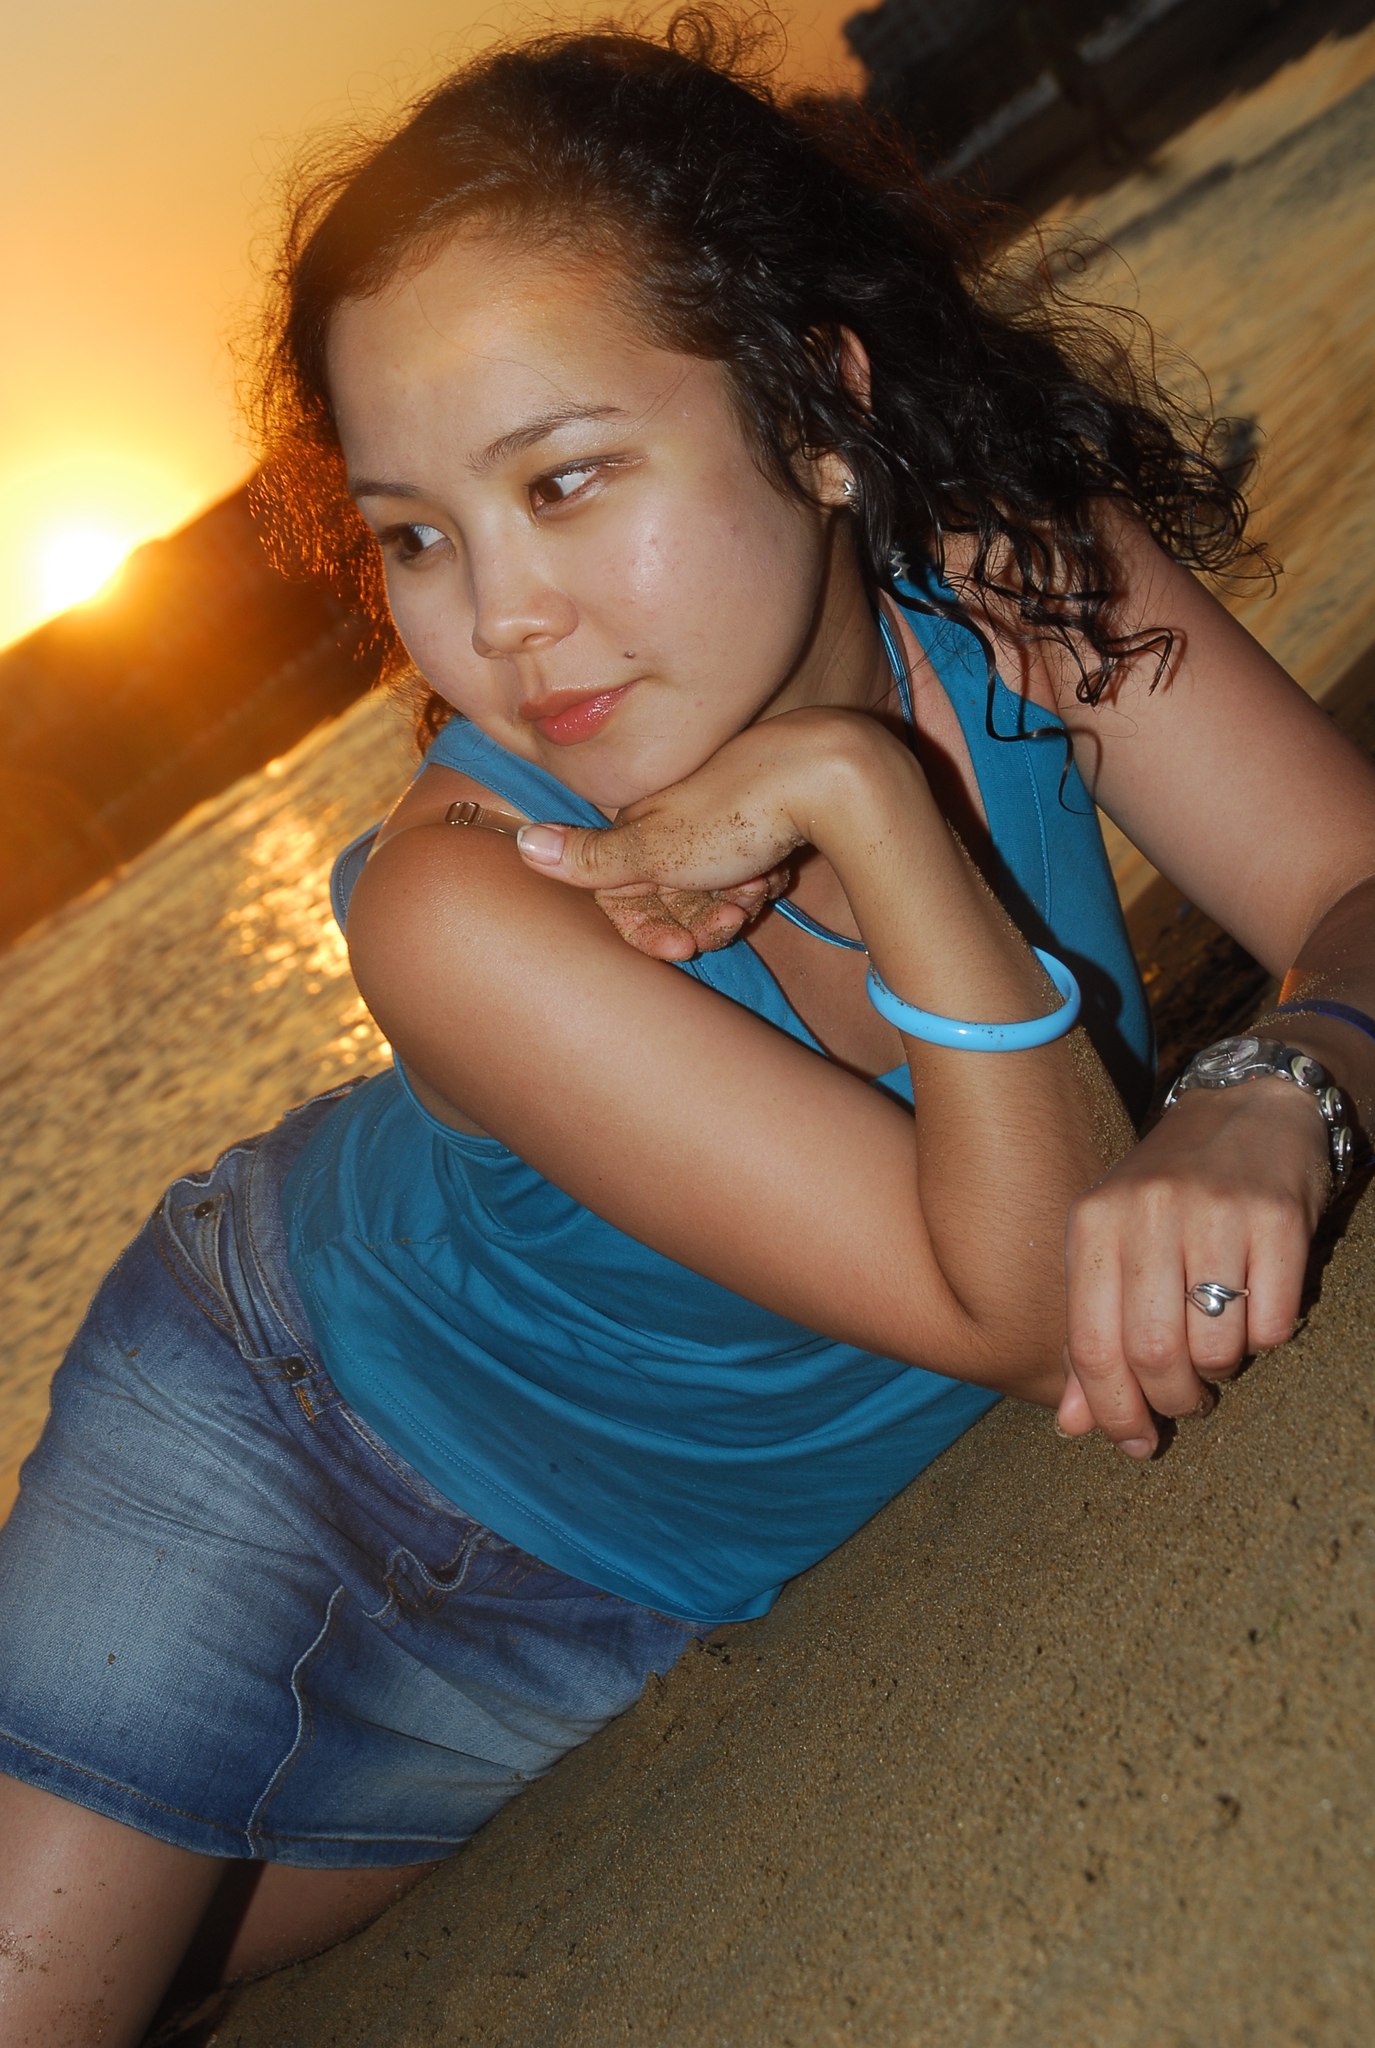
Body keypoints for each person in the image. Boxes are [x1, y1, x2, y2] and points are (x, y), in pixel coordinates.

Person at [2, 15, 1373, 2043]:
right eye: (416, 535)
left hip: (624, 1596)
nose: (498, 620)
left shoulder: (1007, 573)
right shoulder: (464, 904)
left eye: (563, 480)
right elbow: (1033, 1308)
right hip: (282, 1454)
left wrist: (1285, 1079)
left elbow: (1351, 887)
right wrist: (866, 797)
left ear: (819, 408)